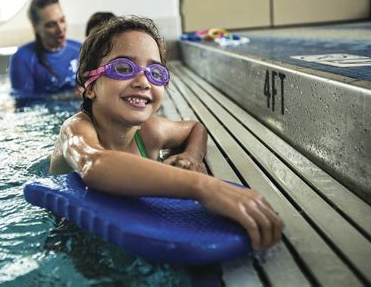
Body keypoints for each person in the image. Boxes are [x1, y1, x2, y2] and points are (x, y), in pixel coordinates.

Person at [49, 16, 283, 251]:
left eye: (155, 72)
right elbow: (94, 165)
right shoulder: (76, 129)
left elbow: (195, 128)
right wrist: (202, 186)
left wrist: (191, 156)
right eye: (123, 68)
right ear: (90, 87)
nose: (143, 82)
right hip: (71, 238)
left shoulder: (148, 132)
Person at [8, 0, 81, 98]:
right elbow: (22, 101)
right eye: (51, 25)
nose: (60, 29)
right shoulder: (23, 59)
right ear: (36, 27)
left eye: (62, 20)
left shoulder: (80, 50)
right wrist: (66, 97)